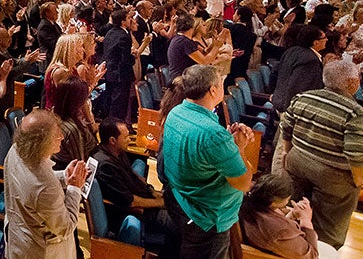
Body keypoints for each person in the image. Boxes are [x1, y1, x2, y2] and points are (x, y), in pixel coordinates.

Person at [161, 64, 254, 259]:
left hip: (180, 202)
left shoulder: (175, 113)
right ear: (213, 90)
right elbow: (244, 183)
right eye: (221, 83)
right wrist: (239, 147)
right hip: (205, 218)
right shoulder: (213, 135)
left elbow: (199, 154)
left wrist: (227, 143)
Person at [277, 59, 363, 249]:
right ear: (352, 83)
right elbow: (355, 154)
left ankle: (291, 250)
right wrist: (358, 180)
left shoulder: (303, 97)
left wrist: (287, 154)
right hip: (333, 176)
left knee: (293, 213)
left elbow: (286, 129)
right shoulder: (355, 112)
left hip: (297, 162)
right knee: (328, 231)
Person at [3, 109, 88, 259]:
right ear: (41, 143)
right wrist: (74, 188)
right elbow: (65, 227)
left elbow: (31, 189)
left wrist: (64, 177)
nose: (62, 137)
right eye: (56, 135)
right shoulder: (44, 186)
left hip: (18, 238)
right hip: (40, 251)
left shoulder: (16, 150)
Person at [94, 117, 170, 237]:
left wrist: (152, 191)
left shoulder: (118, 152)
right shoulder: (105, 166)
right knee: (185, 225)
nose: (129, 140)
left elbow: (132, 175)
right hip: (140, 213)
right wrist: (160, 203)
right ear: (113, 141)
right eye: (126, 137)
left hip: (147, 201)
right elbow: (130, 202)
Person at [240, 173, 340, 259]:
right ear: (274, 203)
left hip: (268, 246)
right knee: (332, 253)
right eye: (287, 200)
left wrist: (291, 215)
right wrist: (306, 220)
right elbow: (312, 255)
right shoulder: (279, 231)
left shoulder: (249, 205)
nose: (288, 202)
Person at [272, 25, 326, 114]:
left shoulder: (292, 51)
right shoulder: (310, 60)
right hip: (290, 110)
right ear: (316, 42)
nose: (326, 40)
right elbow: (295, 88)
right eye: (324, 37)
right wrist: (290, 113)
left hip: (279, 102)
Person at [100, 9, 137, 120]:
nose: (131, 20)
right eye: (128, 18)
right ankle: (116, 125)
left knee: (110, 98)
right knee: (119, 103)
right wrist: (133, 57)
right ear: (123, 22)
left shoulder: (110, 32)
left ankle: (108, 122)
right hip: (121, 74)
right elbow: (125, 59)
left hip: (110, 71)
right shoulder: (124, 36)